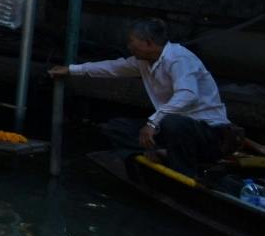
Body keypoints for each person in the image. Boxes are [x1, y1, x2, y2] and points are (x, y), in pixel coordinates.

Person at [51, 18, 230, 168]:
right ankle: (163, 154)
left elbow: (187, 94)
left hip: (206, 131)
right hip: (171, 129)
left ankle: (180, 163)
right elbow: (112, 67)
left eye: (132, 41)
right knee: (116, 127)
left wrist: (153, 122)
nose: (129, 46)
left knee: (172, 123)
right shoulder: (143, 61)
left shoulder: (179, 59)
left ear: (148, 43)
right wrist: (72, 69)